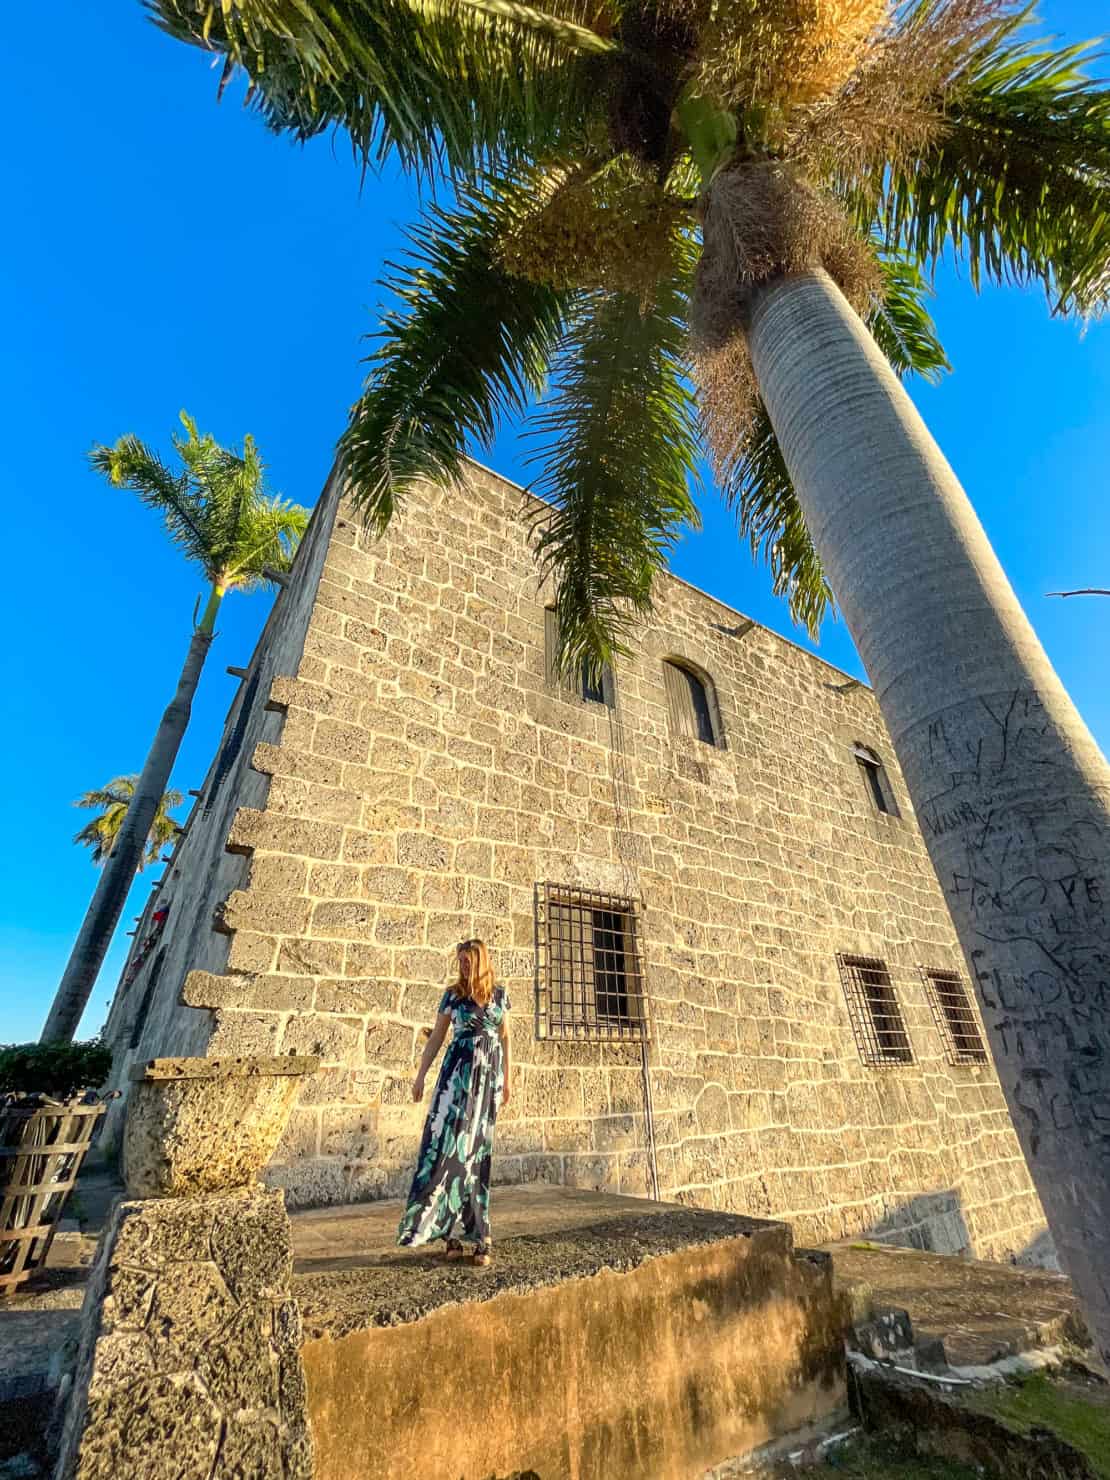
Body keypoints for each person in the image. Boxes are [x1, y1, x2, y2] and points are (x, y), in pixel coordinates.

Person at [397, 939, 511, 1266]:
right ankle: (449, 1235)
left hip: (486, 1083)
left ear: (480, 961)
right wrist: (420, 1076)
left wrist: (508, 1080)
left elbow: (505, 1038)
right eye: (459, 961)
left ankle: (480, 1236)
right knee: (446, 1152)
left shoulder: (499, 995)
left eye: (467, 961)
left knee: (476, 1155)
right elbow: (436, 1037)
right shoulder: (452, 995)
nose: (462, 966)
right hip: (455, 1080)